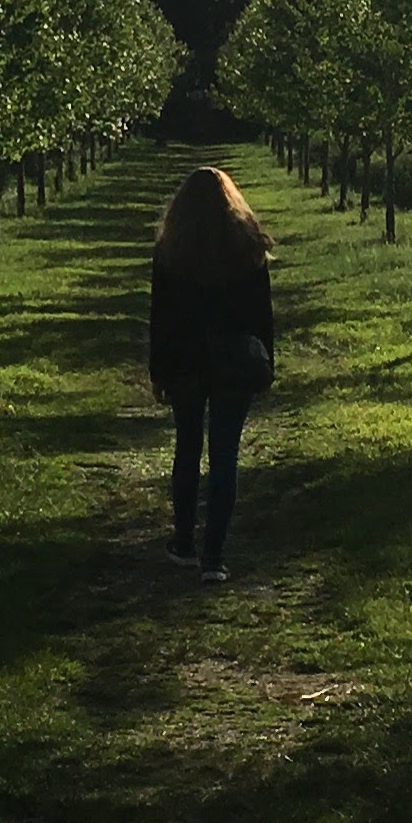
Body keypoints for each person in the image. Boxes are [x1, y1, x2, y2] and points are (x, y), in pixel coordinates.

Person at [148, 166, 277, 582]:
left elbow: (161, 316)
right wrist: (266, 362)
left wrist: (158, 369)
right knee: (225, 456)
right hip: (234, 361)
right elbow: (262, 315)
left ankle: (184, 541)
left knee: (187, 448)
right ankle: (214, 556)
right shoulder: (247, 246)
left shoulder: (171, 249)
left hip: (185, 361)